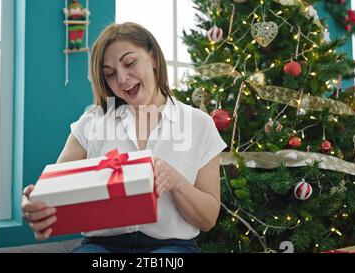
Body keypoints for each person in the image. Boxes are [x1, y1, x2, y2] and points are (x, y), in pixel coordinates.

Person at [22, 22, 227, 253]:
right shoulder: (92, 122)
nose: (121, 79)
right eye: (109, 74)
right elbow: (55, 192)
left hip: (170, 246)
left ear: (154, 59)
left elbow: (208, 218)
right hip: (102, 246)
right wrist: (36, 202)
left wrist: (177, 182)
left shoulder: (198, 123)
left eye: (129, 63)